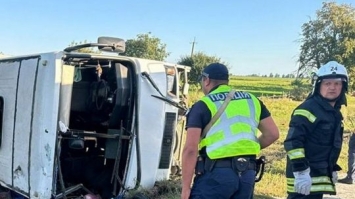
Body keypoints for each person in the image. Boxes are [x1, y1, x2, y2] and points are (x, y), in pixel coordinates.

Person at [180, 63, 280, 199]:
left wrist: (185, 189)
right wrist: (243, 148)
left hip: (215, 175)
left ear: (206, 80)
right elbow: (272, 134)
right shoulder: (252, 100)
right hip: (247, 173)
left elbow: (190, 150)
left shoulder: (203, 105)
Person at [284, 61, 349, 199]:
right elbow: (293, 142)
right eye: (327, 83)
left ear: (343, 86)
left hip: (317, 178)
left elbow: (326, 144)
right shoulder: (308, 109)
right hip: (303, 178)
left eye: (337, 83)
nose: (332, 87)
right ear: (318, 85)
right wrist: (301, 171)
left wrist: (331, 168)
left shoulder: (333, 112)